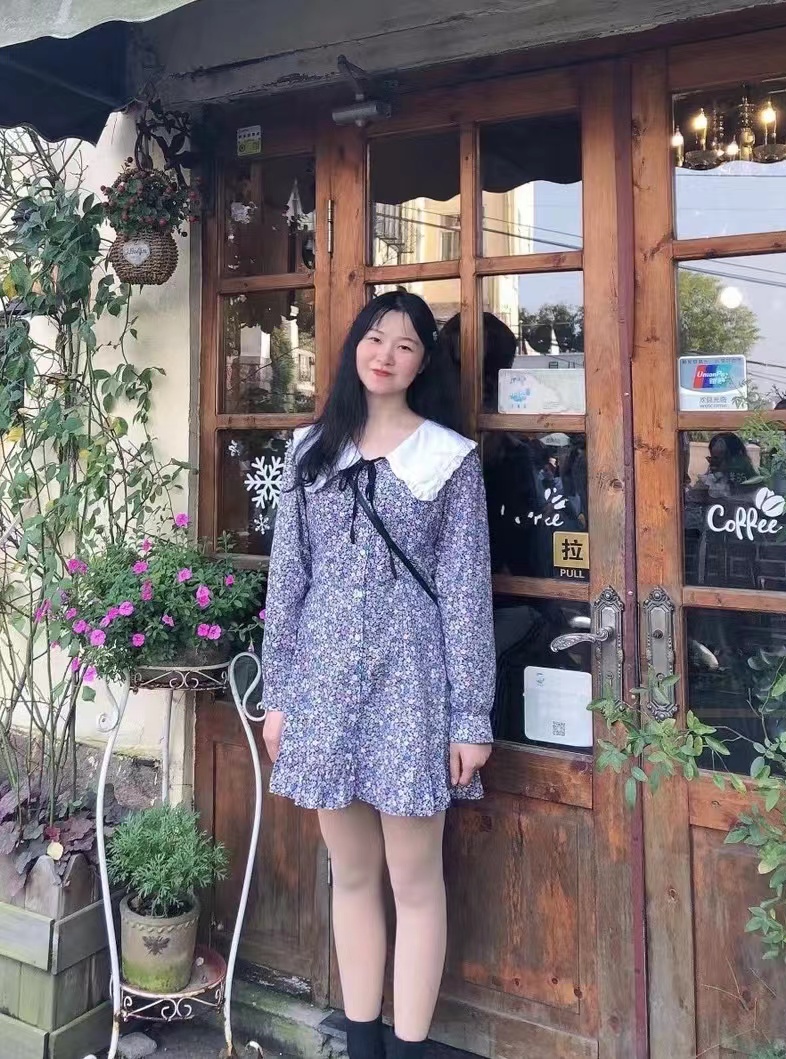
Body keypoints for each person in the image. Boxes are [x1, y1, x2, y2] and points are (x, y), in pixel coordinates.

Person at [259, 291, 496, 1059]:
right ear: (353, 347)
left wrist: (472, 716)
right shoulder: (310, 451)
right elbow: (287, 582)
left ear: (423, 363)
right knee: (352, 873)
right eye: (373, 337)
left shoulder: (448, 460)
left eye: (404, 344)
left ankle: (410, 1046)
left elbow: (465, 593)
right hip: (324, 683)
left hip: (412, 683)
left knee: (415, 881)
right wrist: (278, 697)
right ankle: (361, 1043)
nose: (385, 354)